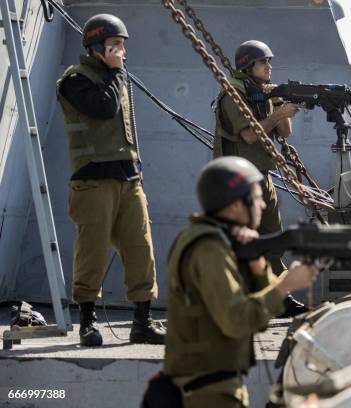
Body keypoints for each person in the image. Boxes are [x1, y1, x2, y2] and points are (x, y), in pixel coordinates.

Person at [163, 156, 319, 407]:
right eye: (257, 199)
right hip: (208, 392)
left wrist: (257, 265)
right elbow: (237, 320)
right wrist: (286, 285)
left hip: (214, 385)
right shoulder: (210, 249)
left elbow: (262, 311)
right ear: (236, 205)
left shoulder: (216, 240)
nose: (263, 206)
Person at [56, 14, 164, 346]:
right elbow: (102, 109)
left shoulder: (119, 79)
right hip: (93, 181)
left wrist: (138, 169)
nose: (121, 52)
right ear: (96, 47)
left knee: (140, 249)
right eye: (114, 45)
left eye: (122, 46)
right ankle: (87, 323)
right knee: (92, 250)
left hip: (128, 178)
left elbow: (126, 131)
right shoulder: (74, 80)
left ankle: (142, 322)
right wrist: (117, 72)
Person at [213, 40, 305, 315]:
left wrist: (278, 101)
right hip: (238, 180)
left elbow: (284, 133)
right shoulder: (234, 93)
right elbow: (250, 135)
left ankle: (279, 298)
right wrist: (278, 112)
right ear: (248, 65)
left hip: (260, 175)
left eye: (270, 61)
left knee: (272, 238)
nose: (269, 67)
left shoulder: (261, 92)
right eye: (264, 62)